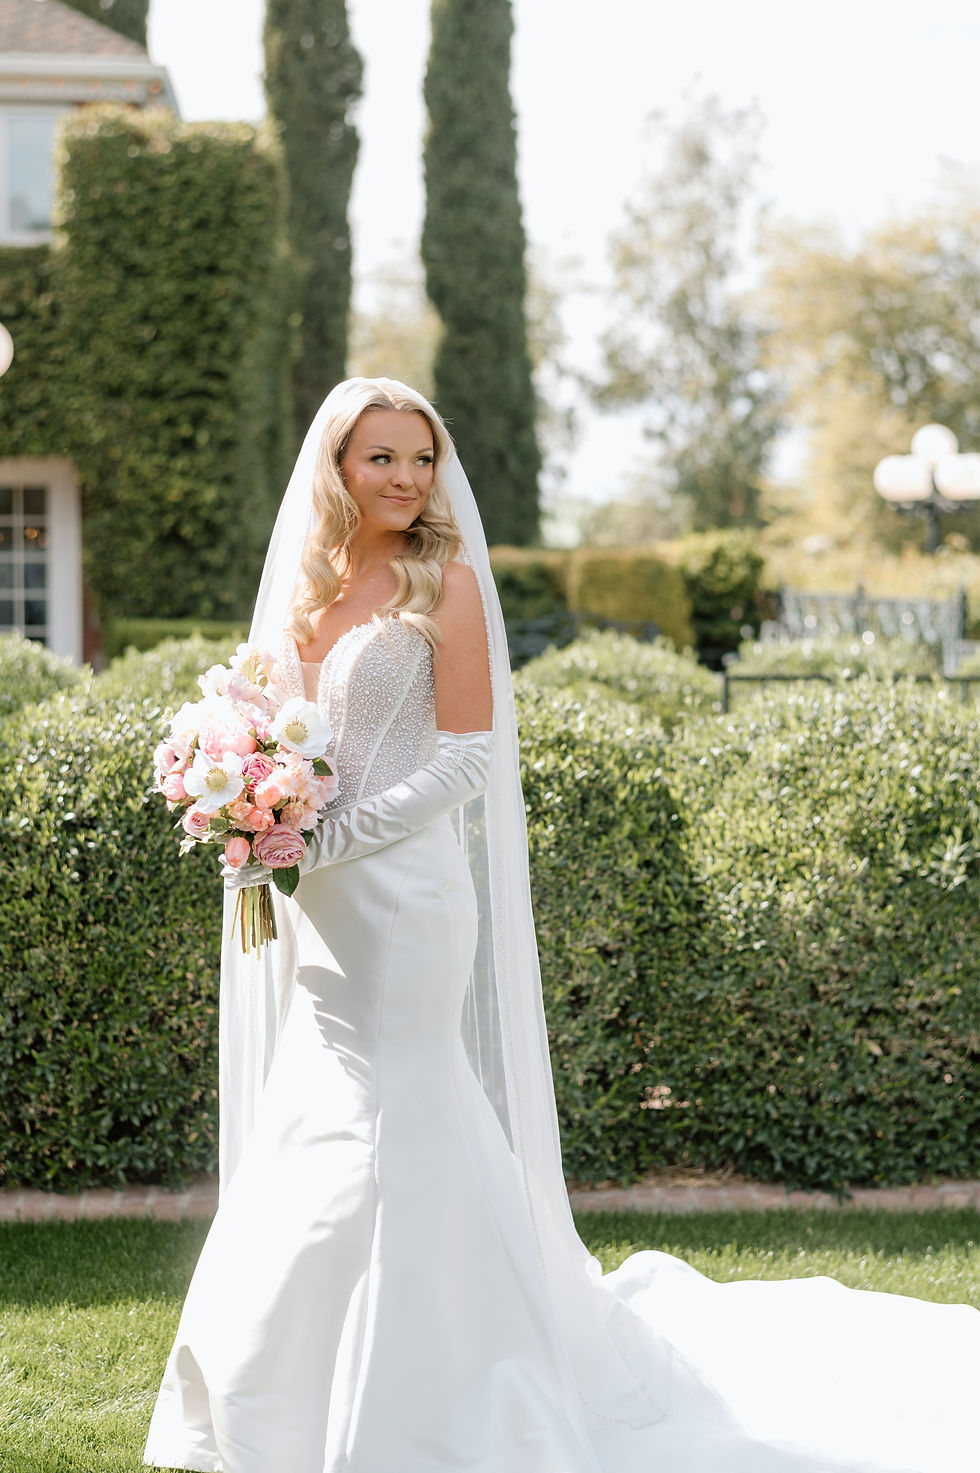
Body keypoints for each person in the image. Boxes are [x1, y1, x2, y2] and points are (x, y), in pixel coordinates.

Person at [144, 378, 978, 1473]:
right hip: (320, 910)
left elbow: (465, 759)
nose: (405, 478)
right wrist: (245, 799)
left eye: (422, 458)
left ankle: (446, 1389)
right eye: (381, 458)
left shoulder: (442, 586)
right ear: (335, 470)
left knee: (402, 1106)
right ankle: (273, 1391)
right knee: (323, 1104)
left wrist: (327, 838)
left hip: (404, 899)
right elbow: (272, 733)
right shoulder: (305, 595)